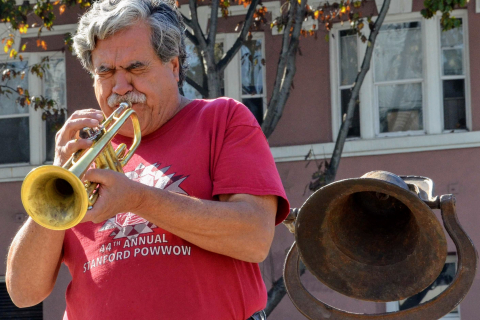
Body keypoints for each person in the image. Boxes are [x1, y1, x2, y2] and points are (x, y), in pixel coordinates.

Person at [6, 0, 289, 319]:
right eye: (106, 71)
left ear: (173, 66)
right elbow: (23, 292)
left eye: (136, 68)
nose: (121, 87)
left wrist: (138, 199)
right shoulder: (83, 152)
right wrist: (58, 177)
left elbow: (254, 237)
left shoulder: (222, 119)